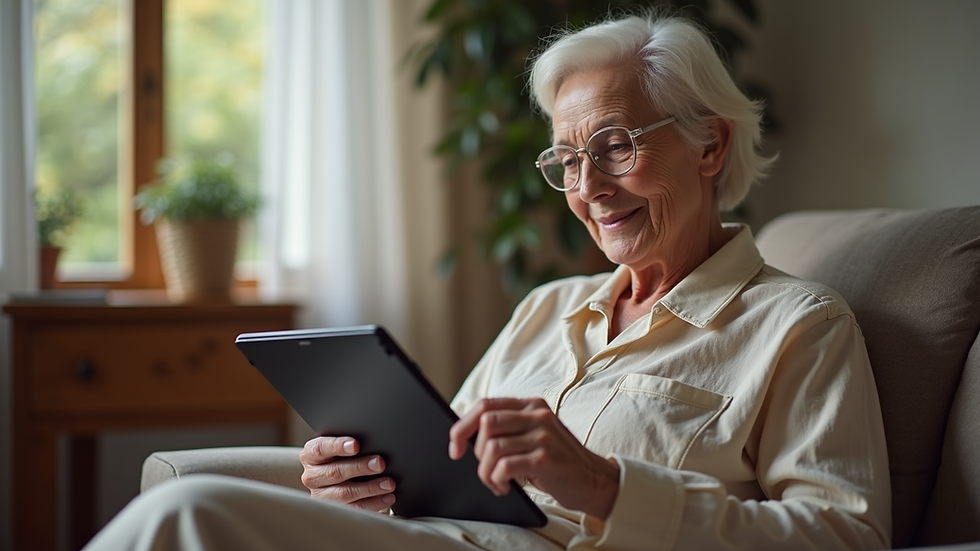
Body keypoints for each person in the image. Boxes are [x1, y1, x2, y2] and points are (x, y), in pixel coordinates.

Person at [83, 11, 891, 551]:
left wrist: (608, 488)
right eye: (568, 162)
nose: (588, 189)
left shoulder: (800, 323)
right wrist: (366, 485)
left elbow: (846, 535)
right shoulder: (549, 308)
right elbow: (452, 469)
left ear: (709, 145)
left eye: (614, 146)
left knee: (186, 511)